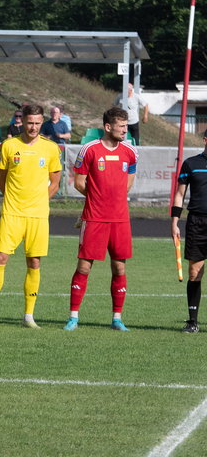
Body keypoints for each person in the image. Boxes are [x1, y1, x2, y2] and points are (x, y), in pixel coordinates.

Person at [0, 104, 62, 329]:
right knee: (0, 259)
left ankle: (29, 316)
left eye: (37, 123)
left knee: (34, 262)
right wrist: (14, 199)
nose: (33, 127)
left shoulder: (51, 149)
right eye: (29, 122)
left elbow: (55, 182)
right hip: (12, 213)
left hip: (38, 216)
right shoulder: (9, 145)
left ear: (42, 123)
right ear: (21, 121)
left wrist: (40, 201)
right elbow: (2, 179)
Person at [65, 107, 137, 331]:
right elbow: (79, 182)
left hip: (120, 219)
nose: (125, 129)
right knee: (85, 267)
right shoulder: (89, 150)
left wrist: (113, 200)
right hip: (94, 217)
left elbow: (129, 181)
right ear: (108, 127)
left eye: (126, 125)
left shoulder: (130, 152)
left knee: (119, 268)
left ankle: (117, 318)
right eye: (121, 126)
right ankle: (73, 317)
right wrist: (98, 198)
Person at [171, 129, 207, 333]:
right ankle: (193, 322)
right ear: (205, 140)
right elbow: (179, 194)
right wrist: (174, 222)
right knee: (195, 272)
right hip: (197, 223)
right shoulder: (191, 164)